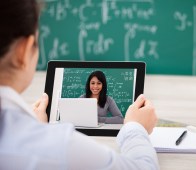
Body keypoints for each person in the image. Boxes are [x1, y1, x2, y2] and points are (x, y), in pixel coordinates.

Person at [0, 0, 159, 169]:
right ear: (23, 51)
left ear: (103, 85)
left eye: (99, 83)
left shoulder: (109, 100)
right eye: (92, 82)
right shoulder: (61, 145)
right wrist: (136, 127)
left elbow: (119, 118)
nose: (95, 86)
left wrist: (37, 126)